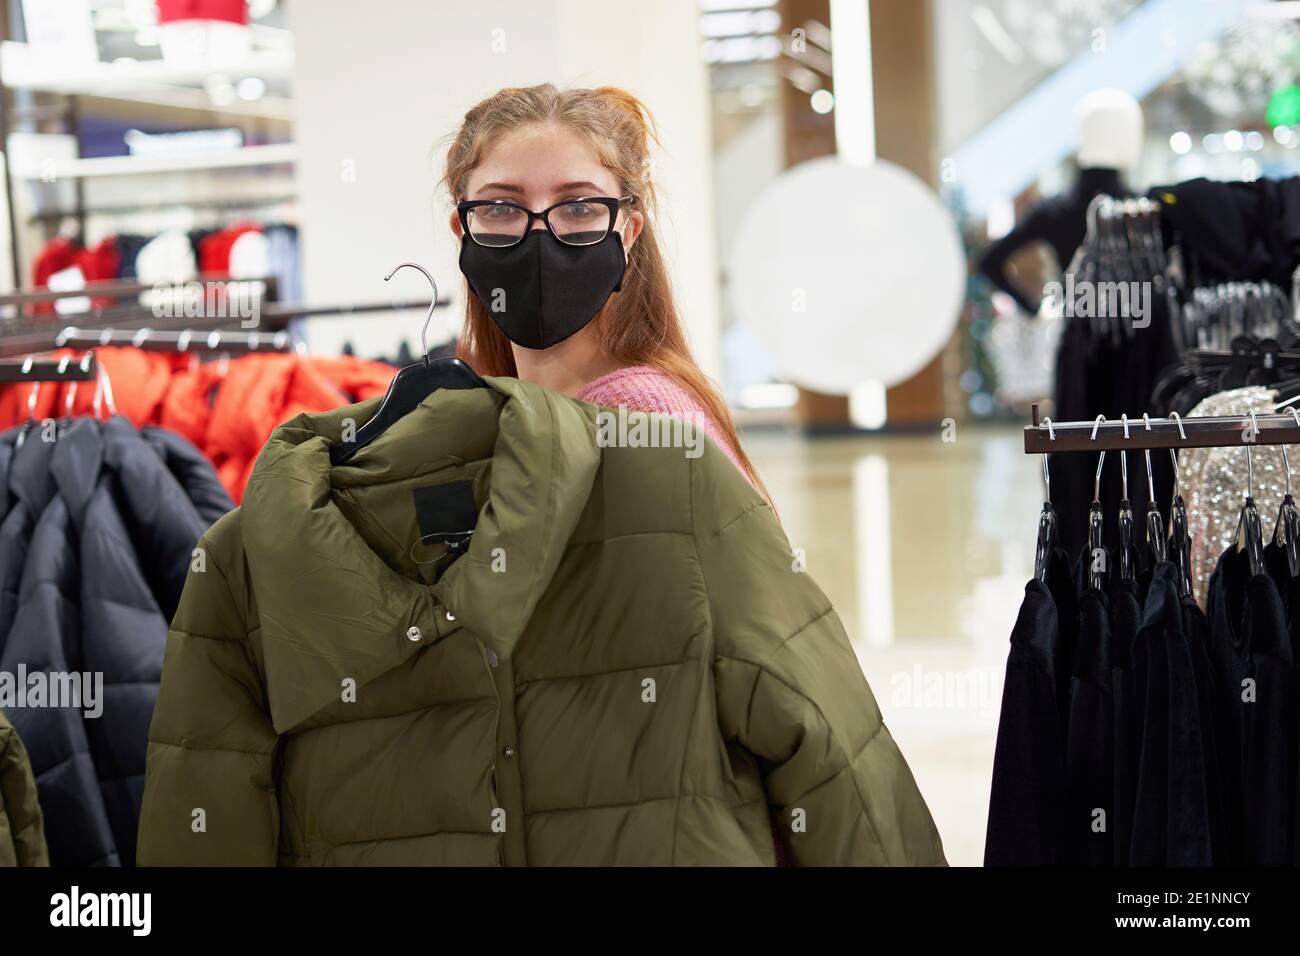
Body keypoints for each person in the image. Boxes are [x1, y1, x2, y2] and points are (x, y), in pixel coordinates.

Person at [442, 83, 766, 498]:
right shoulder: (505, 411)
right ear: (463, 230)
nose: (540, 235)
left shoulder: (644, 419)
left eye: (579, 207)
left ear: (628, 233)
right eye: (501, 208)